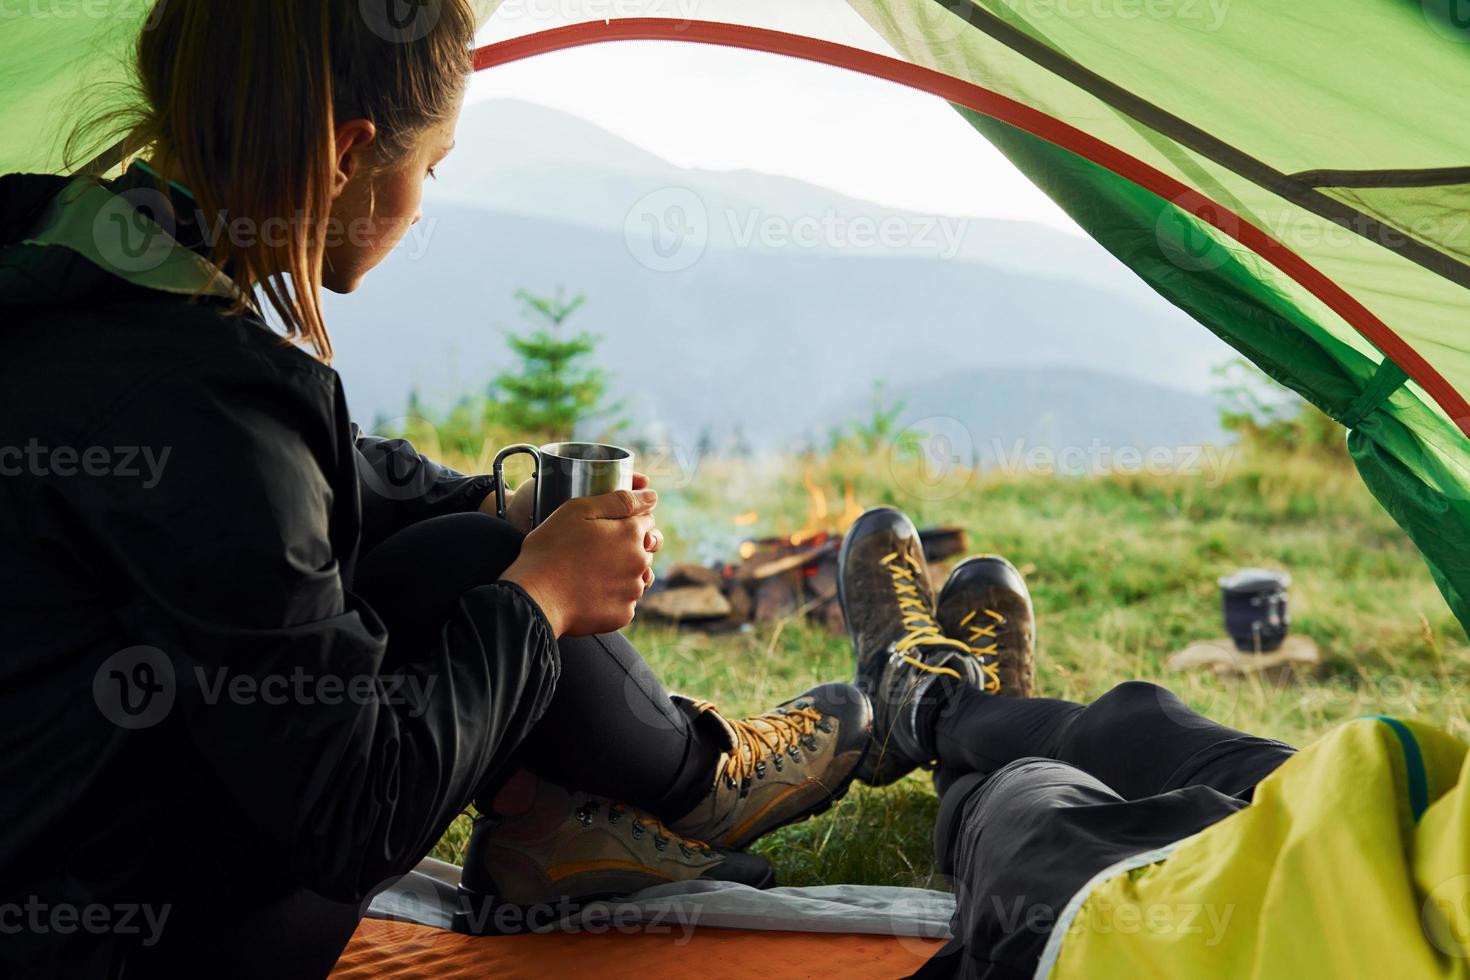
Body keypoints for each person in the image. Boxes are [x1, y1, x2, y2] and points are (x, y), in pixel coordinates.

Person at [0, 3, 872, 976]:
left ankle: (580, 818)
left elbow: (311, 487)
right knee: (490, 572)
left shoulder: (70, 274)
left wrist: (491, 504)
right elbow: (354, 811)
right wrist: (538, 598)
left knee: (471, 544)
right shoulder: (202, 403)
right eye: (433, 165)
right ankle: (696, 783)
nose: (424, 200)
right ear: (347, 153)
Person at [833, 507, 1298, 979]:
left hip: (1219, 943)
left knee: (1031, 802)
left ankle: (924, 702)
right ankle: (946, 711)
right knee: (1136, 717)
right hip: (1333, 824)